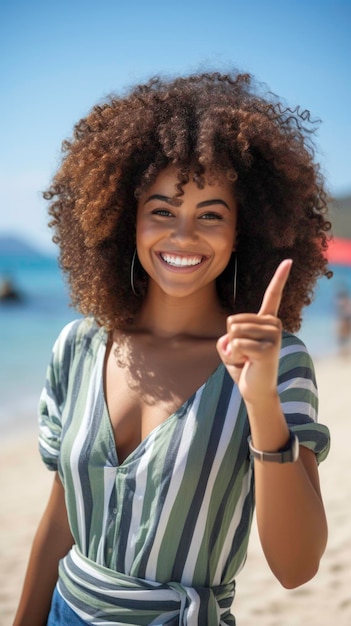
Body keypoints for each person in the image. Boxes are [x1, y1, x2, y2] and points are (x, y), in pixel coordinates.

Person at [14, 70, 331, 626]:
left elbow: (297, 568)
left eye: (211, 214)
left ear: (243, 232)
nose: (183, 236)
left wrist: (260, 405)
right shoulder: (79, 346)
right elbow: (61, 520)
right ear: (124, 221)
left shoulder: (278, 364)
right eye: (162, 210)